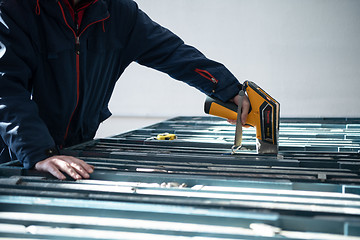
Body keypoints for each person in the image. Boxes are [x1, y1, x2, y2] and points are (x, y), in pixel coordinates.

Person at [0, 0, 250, 180]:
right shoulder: (13, 9)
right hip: (13, 153)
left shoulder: (118, 12)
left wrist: (228, 90)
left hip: (75, 151)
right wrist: (38, 152)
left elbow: (172, 52)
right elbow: (5, 89)